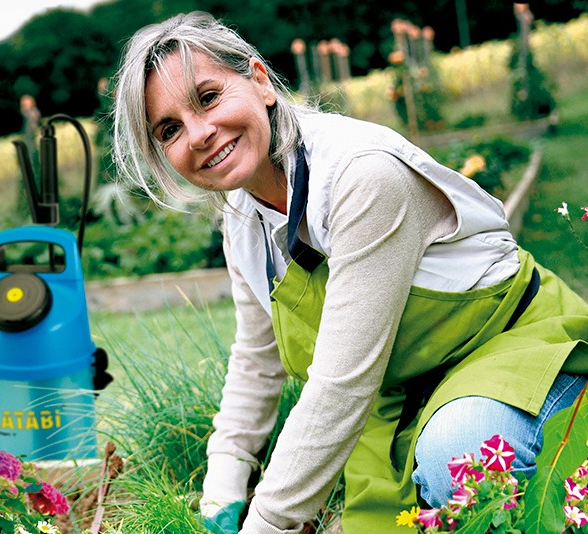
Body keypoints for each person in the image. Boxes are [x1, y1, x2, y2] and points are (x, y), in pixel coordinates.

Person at [110, 11, 588, 533]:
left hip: (517, 352)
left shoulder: (361, 176)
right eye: (170, 129)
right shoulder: (242, 216)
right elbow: (257, 358)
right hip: (404, 399)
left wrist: (266, 523)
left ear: (260, 81)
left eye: (208, 97)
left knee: (462, 460)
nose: (200, 133)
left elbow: (342, 383)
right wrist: (223, 489)